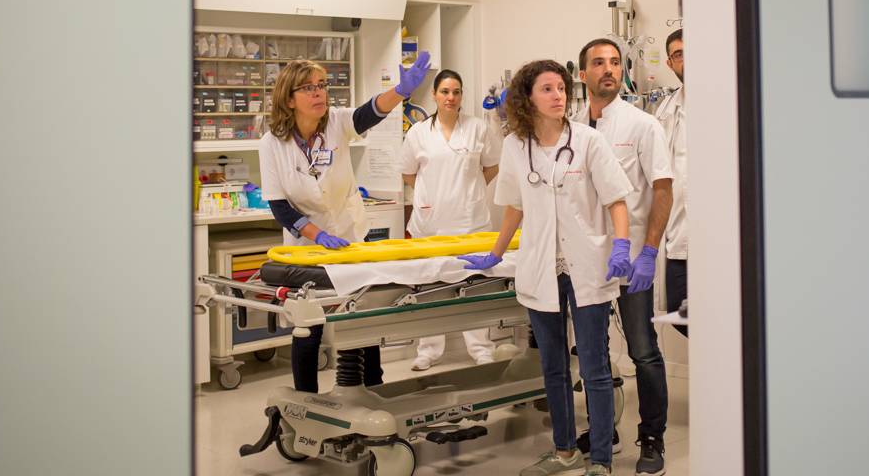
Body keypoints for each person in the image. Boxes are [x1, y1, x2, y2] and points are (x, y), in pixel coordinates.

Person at [459, 60, 633, 476]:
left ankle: (602, 460)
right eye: (548, 89)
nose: (558, 96)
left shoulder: (589, 141)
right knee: (551, 366)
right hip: (541, 266)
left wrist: (623, 244)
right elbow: (514, 207)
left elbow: (616, 200)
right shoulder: (516, 146)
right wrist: (496, 253)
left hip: (587, 265)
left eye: (561, 88)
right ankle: (565, 450)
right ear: (528, 98)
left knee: (593, 366)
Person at [260, 53, 432, 393]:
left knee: (362, 316)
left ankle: (373, 389)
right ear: (289, 99)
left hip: (351, 235)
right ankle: (306, 400)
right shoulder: (272, 144)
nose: (318, 93)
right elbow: (280, 206)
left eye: (322, 85)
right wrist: (317, 234)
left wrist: (400, 90)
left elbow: (369, 112)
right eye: (308, 88)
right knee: (308, 327)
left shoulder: (336, 122)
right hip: (307, 247)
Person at [573, 38, 674, 476]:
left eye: (615, 63)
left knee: (643, 351)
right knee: (593, 356)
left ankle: (652, 438)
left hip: (631, 257)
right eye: (599, 63)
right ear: (582, 74)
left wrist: (648, 253)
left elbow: (664, 192)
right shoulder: (570, 126)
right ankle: (602, 430)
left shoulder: (642, 125)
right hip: (585, 261)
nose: (608, 70)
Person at [401, 68, 502, 371]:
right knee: (430, 287)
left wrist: (468, 193)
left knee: (474, 285)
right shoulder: (418, 133)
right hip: (429, 223)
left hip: (470, 221)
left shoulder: (476, 128)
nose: (451, 97)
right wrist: (432, 197)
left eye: (456, 91)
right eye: (445, 91)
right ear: (434, 95)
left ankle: (481, 348)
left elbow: (491, 167)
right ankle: (428, 351)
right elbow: (408, 174)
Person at [654, 29, 688, 339]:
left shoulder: (732, 99)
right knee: (681, 316)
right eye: (679, 54)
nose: (687, 58)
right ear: (670, 63)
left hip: (724, 237)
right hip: (679, 236)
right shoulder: (664, 112)